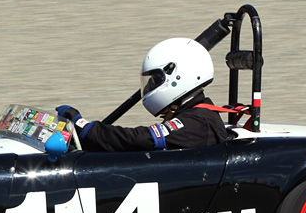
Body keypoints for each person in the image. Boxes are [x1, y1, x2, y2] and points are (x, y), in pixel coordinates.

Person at [57, 38, 229, 152]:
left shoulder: (198, 123)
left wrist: (88, 129)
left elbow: (141, 139)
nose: (151, 85)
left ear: (179, 77)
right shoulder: (195, 116)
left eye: (156, 79)